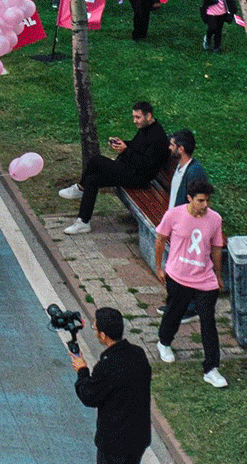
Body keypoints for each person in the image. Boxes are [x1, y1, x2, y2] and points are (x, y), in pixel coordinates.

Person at [153, 181, 228, 388]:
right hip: (178, 276)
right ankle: (164, 342)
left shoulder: (214, 219)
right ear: (190, 198)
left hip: (204, 279)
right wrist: (159, 268)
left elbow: (216, 248)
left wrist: (218, 276)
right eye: (200, 200)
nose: (205, 205)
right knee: (174, 313)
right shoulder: (174, 215)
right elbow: (160, 240)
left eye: (207, 200)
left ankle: (211, 368)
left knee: (208, 322)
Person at [70, 307, 152, 464]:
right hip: (138, 438)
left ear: (104, 336)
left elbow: (88, 395)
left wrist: (82, 371)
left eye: (95, 328)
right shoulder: (138, 354)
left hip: (114, 442)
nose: (94, 330)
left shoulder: (107, 366)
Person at [59, 102, 169, 234]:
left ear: (149, 116)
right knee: (92, 180)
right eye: (134, 117)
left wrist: (125, 151)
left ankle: (80, 188)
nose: (135, 121)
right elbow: (136, 147)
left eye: (138, 117)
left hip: (138, 178)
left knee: (96, 160)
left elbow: (146, 164)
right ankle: (83, 222)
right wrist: (122, 143)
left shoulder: (158, 137)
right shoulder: (146, 128)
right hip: (130, 169)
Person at [159, 129, 210, 317]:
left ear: (180, 149)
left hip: (188, 228)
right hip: (177, 224)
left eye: (172, 145)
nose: (169, 148)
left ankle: (188, 307)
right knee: (175, 268)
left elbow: (198, 203)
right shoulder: (181, 167)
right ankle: (175, 305)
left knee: (186, 269)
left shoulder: (195, 172)